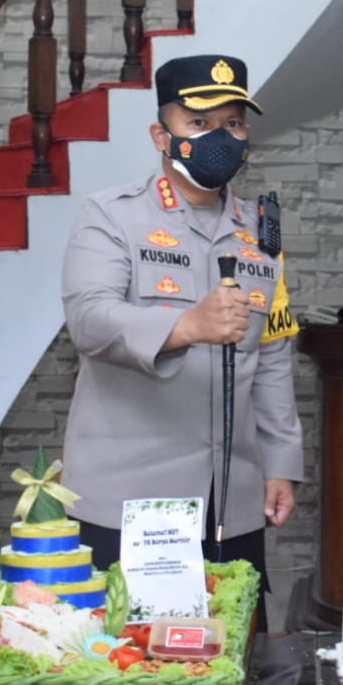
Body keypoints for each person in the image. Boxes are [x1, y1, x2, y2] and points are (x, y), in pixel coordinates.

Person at [60, 54, 303, 631]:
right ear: (160, 135)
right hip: (130, 500)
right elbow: (89, 320)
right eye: (199, 123)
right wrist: (187, 327)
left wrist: (280, 463)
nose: (221, 137)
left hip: (232, 499)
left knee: (231, 654)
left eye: (233, 123)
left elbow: (271, 355)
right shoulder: (111, 216)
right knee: (126, 661)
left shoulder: (260, 236)